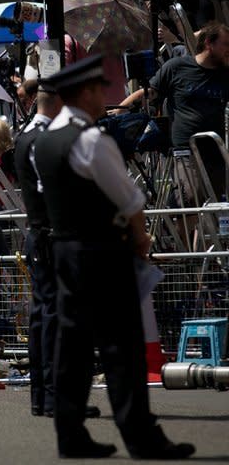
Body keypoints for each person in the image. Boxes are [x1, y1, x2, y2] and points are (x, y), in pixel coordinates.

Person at [33, 55, 195, 459]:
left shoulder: (45, 139)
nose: (104, 98)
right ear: (85, 93)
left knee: (71, 347)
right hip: (102, 250)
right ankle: (141, 436)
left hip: (65, 250)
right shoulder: (90, 139)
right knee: (122, 348)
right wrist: (141, 240)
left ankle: (69, 434)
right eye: (99, 91)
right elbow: (130, 197)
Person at [13, 82, 73, 419]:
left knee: (43, 315)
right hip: (50, 233)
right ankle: (52, 396)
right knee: (53, 316)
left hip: (40, 232)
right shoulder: (44, 138)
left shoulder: (26, 134)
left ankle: (44, 396)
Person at [118, 23, 229, 198]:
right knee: (190, 198)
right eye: (225, 44)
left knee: (217, 203)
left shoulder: (225, 74)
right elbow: (150, 92)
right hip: (187, 149)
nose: (228, 49)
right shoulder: (177, 67)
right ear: (209, 43)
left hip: (215, 149)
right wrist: (119, 110)